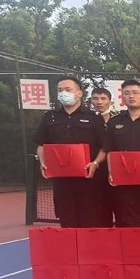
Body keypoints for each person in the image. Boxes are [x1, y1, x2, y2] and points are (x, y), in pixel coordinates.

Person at [32, 76, 105, 228]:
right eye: (60, 90)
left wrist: (95, 163)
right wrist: (43, 162)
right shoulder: (50, 117)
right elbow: (41, 145)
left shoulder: (94, 118)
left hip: (89, 181)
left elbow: (104, 147)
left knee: (91, 222)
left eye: (67, 89)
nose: (63, 93)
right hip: (62, 182)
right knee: (67, 222)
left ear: (79, 93)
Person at [94, 80, 140, 227]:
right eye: (127, 93)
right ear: (122, 97)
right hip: (126, 184)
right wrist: (111, 172)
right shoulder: (114, 123)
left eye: (135, 93)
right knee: (131, 223)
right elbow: (110, 150)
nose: (131, 96)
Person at [89, 86, 116, 226]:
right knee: (98, 209)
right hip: (94, 172)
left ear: (110, 102)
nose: (99, 102)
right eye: (95, 98)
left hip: (117, 171)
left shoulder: (118, 121)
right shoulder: (88, 120)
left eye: (103, 98)